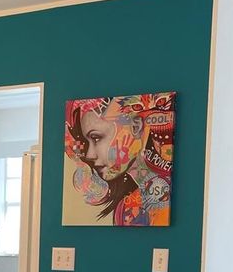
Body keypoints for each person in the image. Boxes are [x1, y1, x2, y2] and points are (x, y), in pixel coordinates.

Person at [65, 92, 175, 226]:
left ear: (136, 127)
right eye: (87, 141)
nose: (89, 155)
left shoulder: (158, 198)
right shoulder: (127, 206)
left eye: (96, 138)